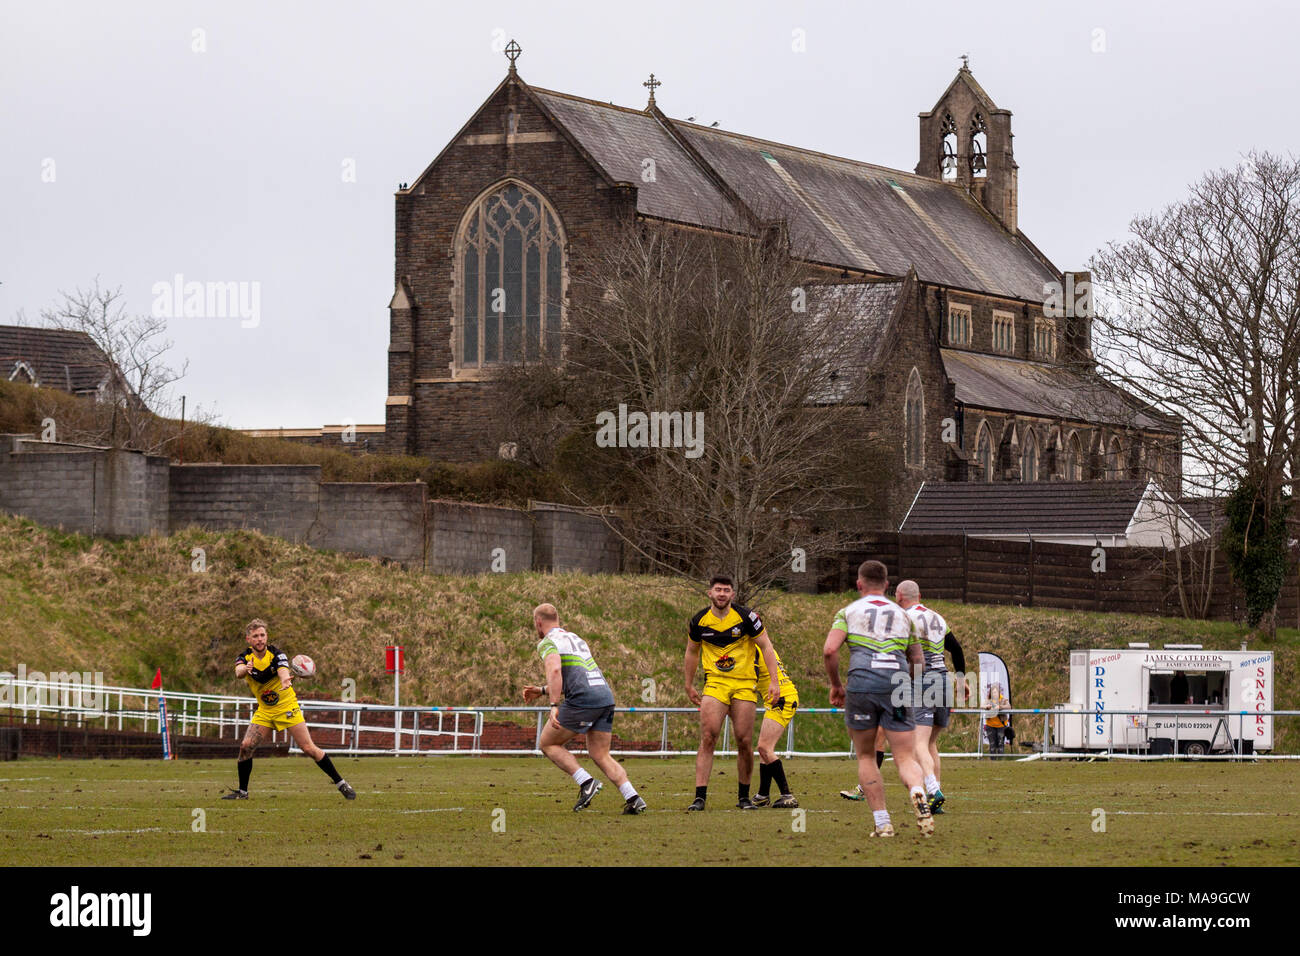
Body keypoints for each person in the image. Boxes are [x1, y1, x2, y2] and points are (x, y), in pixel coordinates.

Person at [824, 560, 933, 837]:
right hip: (896, 684)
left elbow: (830, 651)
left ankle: (883, 822)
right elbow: (918, 659)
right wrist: (910, 685)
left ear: (859, 584)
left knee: (866, 755)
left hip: (862, 684)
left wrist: (836, 685)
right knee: (906, 756)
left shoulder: (847, 612)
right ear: (887, 586)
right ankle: (919, 791)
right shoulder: (904, 616)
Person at [522, 604, 646, 814]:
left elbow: (555, 670)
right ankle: (633, 797)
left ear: (538, 622)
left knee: (547, 743)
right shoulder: (577, 638)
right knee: (600, 754)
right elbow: (577, 676)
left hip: (583, 699)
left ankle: (586, 782)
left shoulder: (547, 642)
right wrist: (543, 690)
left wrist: (553, 705)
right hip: (604, 696)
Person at [222, 619, 355, 800]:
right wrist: (245, 669)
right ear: (248, 639)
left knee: (308, 748)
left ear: (266, 636)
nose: (260, 639)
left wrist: (285, 680)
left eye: (262, 635)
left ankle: (341, 783)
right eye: (255, 636)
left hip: (287, 707)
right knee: (246, 746)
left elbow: (283, 670)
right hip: (265, 710)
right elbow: (238, 672)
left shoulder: (277, 654)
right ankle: (243, 793)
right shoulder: (244, 658)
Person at [684, 575, 781, 811]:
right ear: (710, 593)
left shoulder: (747, 617)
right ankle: (700, 797)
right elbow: (691, 652)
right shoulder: (699, 621)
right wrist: (688, 684)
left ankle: (744, 797)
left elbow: (766, 646)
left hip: (745, 684)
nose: (722, 594)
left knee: (744, 740)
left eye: (726, 590)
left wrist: (774, 682)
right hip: (716, 684)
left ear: (732, 594)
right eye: (718, 590)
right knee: (709, 736)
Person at [896, 580, 964, 814]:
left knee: (918, 744)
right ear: (919, 595)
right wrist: (962, 682)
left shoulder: (904, 617)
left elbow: (899, 652)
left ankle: (934, 790)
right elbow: (956, 649)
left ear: (899, 596)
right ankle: (936, 798)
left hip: (922, 680)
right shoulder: (938, 618)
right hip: (944, 680)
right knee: (931, 743)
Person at [751, 643, 799, 808]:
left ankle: (787, 795)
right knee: (764, 749)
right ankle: (763, 795)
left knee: (764, 748)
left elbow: (752, 677)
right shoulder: (764, 646)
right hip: (780, 697)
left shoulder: (754, 648)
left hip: (781, 699)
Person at [983, 682, 1010, 755]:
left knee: (1001, 745)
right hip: (990, 726)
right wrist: (986, 706)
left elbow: (1009, 706)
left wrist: (1000, 707)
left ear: (999, 692)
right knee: (992, 746)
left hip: (1001, 726)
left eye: (995, 692)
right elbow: (981, 706)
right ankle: (992, 763)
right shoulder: (988, 700)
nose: (994, 694)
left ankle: (1001, 763)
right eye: (993, 692)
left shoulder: (1003, 699)